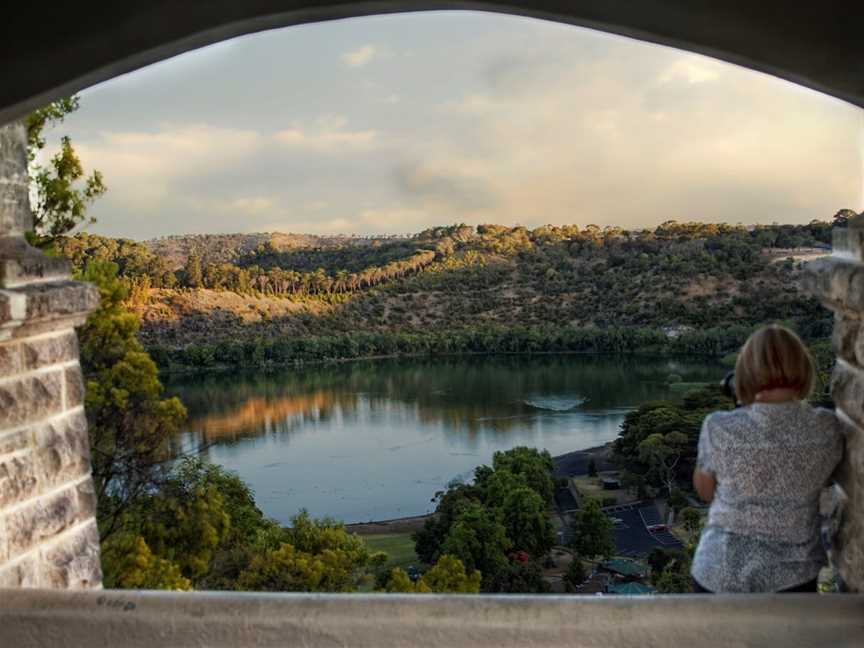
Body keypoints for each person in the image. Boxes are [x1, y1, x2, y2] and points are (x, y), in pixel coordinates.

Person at [690, 324, 845, 593]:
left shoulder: (719, 426)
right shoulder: (827, 426)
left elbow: (705, 492)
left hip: (719, 571)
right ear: (803, 368)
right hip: (792, 574)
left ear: (745, 373)